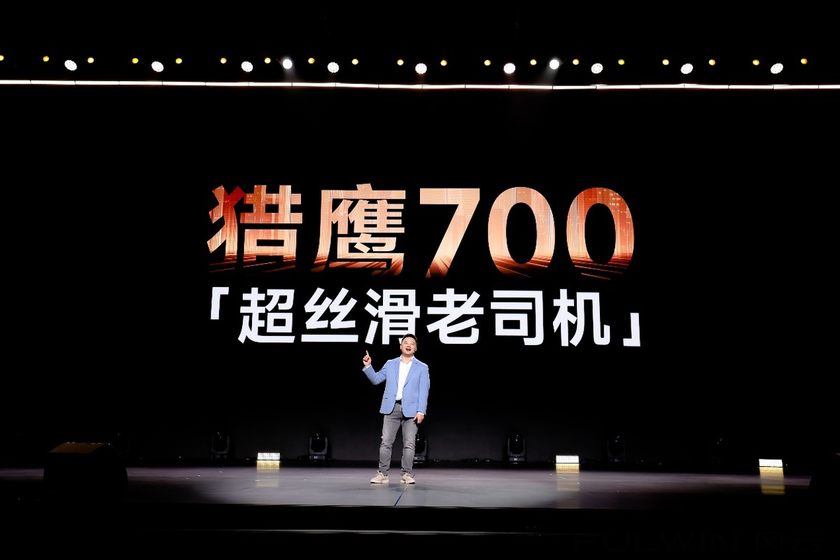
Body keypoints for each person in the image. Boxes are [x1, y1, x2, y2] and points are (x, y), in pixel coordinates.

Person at [362, 333, 430, 484]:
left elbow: (424, 391)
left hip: (411, 410)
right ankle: (382, 474)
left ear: (415, 348)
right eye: (406, 342)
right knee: (386, 442)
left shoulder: (422, 367)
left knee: (409, 444)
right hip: (391, 407)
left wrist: (421, 411)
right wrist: (368, 366)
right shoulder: (391, 363)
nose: (408, 345)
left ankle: (407, 474)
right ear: (401, 346)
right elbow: (376, 379)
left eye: (412, 343)